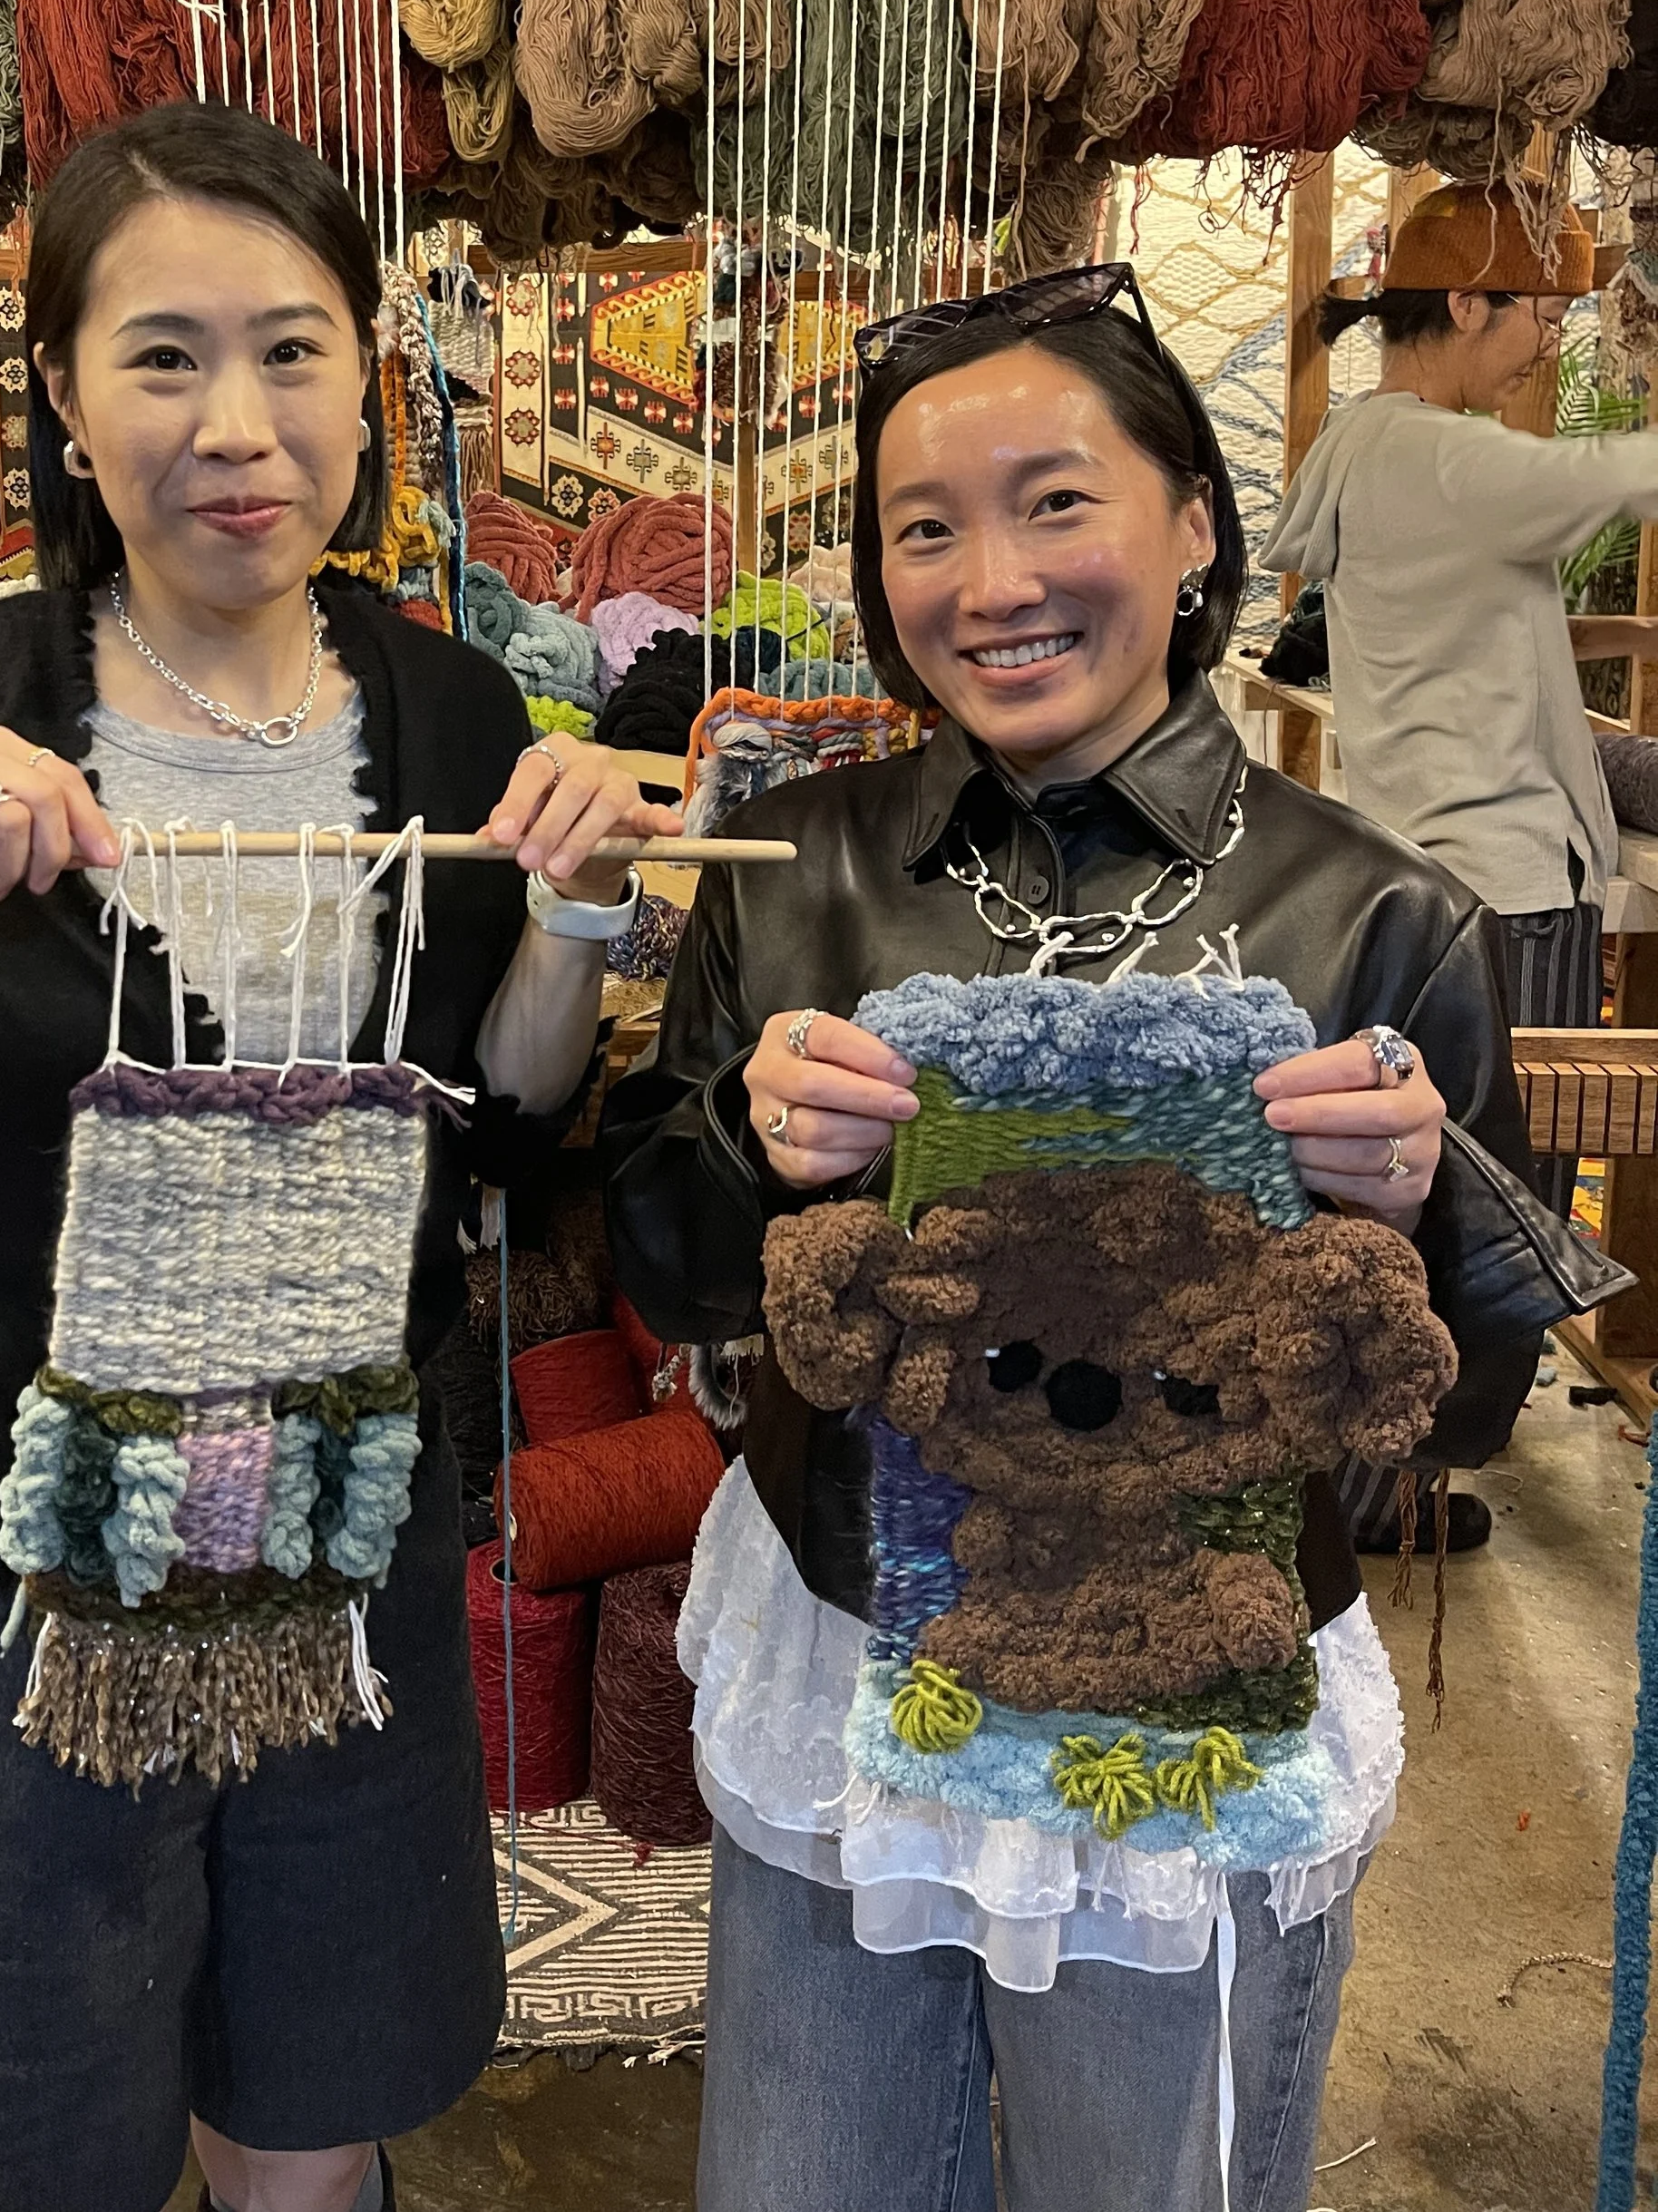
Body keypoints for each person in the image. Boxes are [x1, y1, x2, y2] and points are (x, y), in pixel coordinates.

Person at [0, 102, 675, 2212]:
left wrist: (576, 915)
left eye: (293, 351)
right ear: (56, 388)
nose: (239, 425)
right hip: (7, 1572)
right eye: (163, 356)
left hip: (344, 1551)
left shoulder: (456, 714)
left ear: (367, 378)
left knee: (305, 2125)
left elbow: (498, 1121)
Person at [603, 261, 1545, 2212]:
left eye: (1055, 500)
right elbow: (670, 1274)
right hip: (851, 1671)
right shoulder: (794, 877)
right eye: (921, 527)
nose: (988, 578)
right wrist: (744, 1143)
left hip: (1182, 1734)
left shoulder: (1376, 920)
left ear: (1190, 523)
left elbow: (1463, 1417)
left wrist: (1406, 1211)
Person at [1269, 180, 1658, 1549]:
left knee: (1431, 1187)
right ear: (1467, 306)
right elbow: (1628, 473)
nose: (1552, 334)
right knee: (1498, 1209)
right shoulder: (1449, 457)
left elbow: (1485, 615)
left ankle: (1381, 1478)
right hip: (1502, 879)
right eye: (1537, 307)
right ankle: (1390, 1489)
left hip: (1425, 864)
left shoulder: (1371, 448)